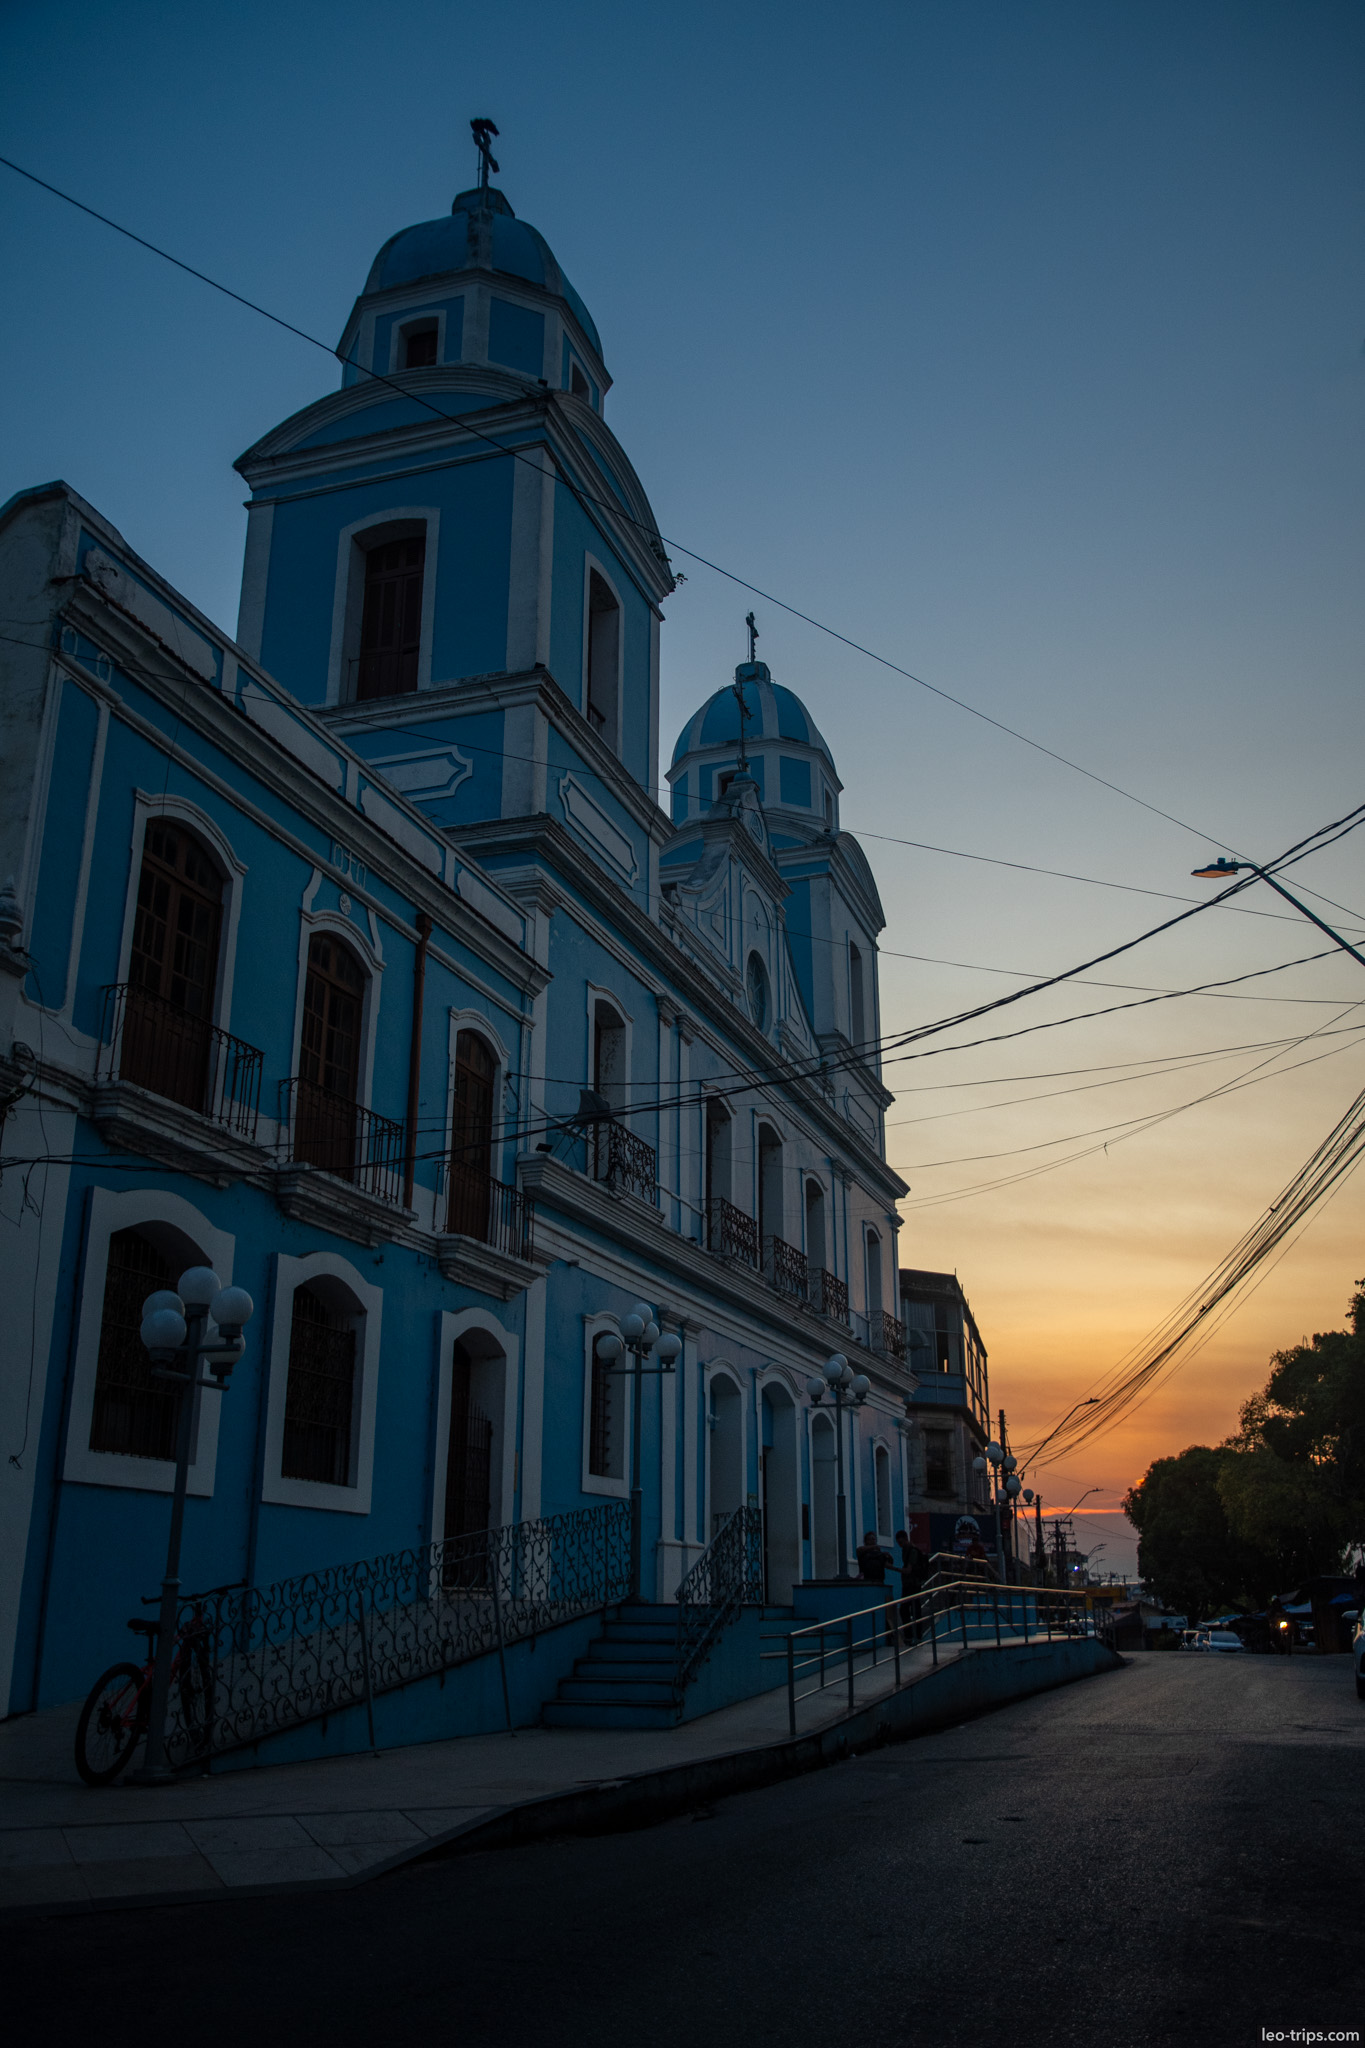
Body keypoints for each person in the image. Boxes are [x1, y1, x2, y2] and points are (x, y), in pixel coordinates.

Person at [856, 1531, 895, 1643]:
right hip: (867, 1583)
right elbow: (859, 1550)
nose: (872, 1541)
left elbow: (888, 1564)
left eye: (874, 1539)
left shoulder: (880, 1555)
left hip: (879, 1582)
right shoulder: (862, 1553)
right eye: (870, 1539)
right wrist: (873, 1547)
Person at [895, 1528, 928, 1642]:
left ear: (905, 1539)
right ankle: (913, 1635)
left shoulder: (912, 1551)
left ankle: (913, 1636)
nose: (900, 1545)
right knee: (911, 1609)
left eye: (901, 1542)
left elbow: (909, 1570)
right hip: (909, 1583)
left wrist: (893, 1568)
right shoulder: (907, 1550)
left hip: (913, 1584)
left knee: (908, 1609)